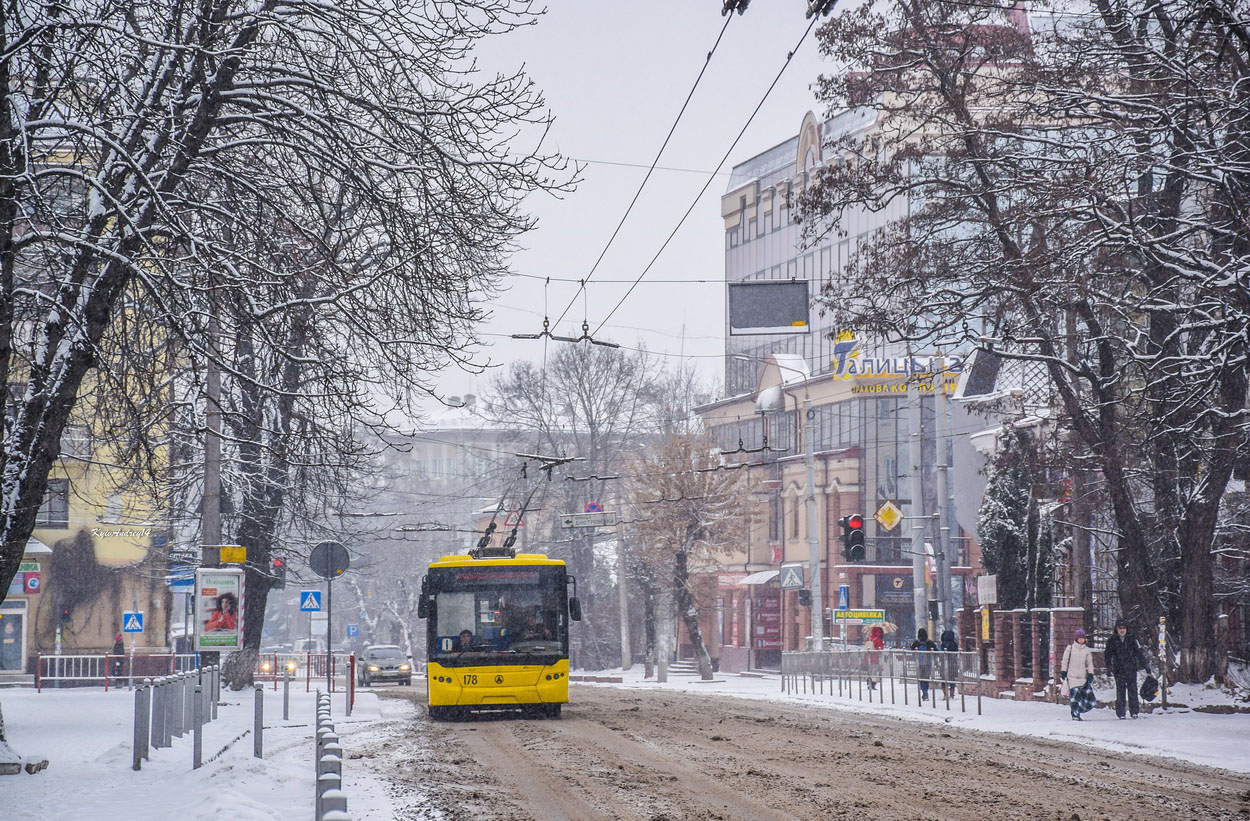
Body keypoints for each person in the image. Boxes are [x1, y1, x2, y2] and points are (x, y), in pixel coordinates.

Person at [1105, 618, 1148, 719]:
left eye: (1124, 628)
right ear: (1116, 629)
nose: (1122, 630)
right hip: (1118, 669)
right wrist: (1109, 667)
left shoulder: (1132, 639)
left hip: (1131, 668)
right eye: (1120, 628)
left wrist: (1145, 665)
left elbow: (1139, 653)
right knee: (1120, 691)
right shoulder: (1112, 640)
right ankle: (1121, 712)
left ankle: (1134, 711)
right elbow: (1108, 654)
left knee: (1132, 690)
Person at [1060, 628, 1095, 720]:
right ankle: (1075, 714)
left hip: (1082, 677)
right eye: (1079, 638)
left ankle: (1079, 711)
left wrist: (1091, 673)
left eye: (1082, 638)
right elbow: (1065, 661)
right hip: (1072, 677)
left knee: (1084, 697)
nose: (1081, 640)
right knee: (1074, 696)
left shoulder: (1087, 650)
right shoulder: (1070, 648)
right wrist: (1063, 671)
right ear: (1076, 639)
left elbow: (1089, 663)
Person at [910, 628, 937, 699]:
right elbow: (935, 651)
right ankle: (926, 691)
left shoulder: (916, 643)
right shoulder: (929, 643)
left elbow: (912, 652)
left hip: (919, 663)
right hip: (928, 662)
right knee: (926, 677)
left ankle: (924, 692)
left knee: (921, 678)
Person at [940, 628, 959, 698]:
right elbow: (956, 653)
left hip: (944, 663)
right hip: (952, 663)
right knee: (952, 679)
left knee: (943, 679)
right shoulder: (954, 644)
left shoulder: (943, 644)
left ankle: (945, 694)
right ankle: (952, 693)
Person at [864, 626, 884, 690]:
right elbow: (881, 648)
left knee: (869, 671)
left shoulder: (868, 638)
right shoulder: (878, 639)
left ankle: (868, 683)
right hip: (875, 657)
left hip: (867, 657)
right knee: (874, 672)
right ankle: (872, 684)